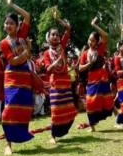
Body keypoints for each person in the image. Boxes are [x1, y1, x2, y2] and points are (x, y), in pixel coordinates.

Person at [0, 0, 33, 155]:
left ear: (17, 25)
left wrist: (12, 4)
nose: (8, 26)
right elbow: (12, 61)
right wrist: (26, 53)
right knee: (9, 108)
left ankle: (20, 135)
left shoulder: (22, 35)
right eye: (6, 23)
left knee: (24, 107)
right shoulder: (4, 43)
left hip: (25, 76)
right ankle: (8, 143)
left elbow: (27, 15)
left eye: (11, 23)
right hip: (12, 77)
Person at [43, 10, 77, 143]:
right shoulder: (46, 53)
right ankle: (52, 135)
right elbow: (48, 70)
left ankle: (62, 132)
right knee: (56, 111)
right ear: (49, 37)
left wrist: (59, 19)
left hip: (66, 83)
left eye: (57, 34)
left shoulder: (62, 46)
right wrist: (56, 62)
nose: (56, 37)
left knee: (70, 111)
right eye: (53, 35)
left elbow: (68, 28)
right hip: (55, 84)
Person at [79, 17, 114, 132]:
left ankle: (112, 111)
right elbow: (80, 68)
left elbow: (105, 36)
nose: (90, 42)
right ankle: (92, 126)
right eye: (89, 40)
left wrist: (94, 25)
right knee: (90, 102)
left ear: (97, 41)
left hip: (102, 79)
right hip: (91, 79)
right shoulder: (84, 53)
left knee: (103, 101)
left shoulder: (100, 49)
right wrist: (89, 64)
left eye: (93, 40)